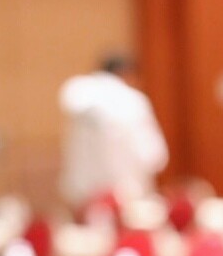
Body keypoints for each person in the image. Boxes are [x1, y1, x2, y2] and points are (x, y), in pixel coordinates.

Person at [58, 53, 168, 212]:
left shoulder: (79, 94)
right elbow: (153, 155)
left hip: (83, 197)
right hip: (125, 196)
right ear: (126, 73)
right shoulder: (133, 101)